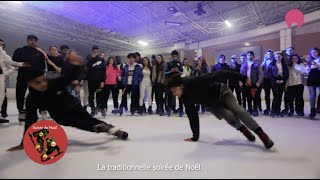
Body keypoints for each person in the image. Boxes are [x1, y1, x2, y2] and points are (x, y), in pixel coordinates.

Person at [6, 51, 128, 152]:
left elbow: (68, 76)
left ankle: (112, 130)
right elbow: (30, 121)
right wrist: (24, 143)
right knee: (79, 123)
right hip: (61, 115)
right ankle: (100, 128)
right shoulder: (32, 99)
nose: (43, 84)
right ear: (30, 84)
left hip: (72, 104)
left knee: (89, 120)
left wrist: (78, 64)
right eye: (38, 83)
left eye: (43, 80)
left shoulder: (53, 83)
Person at [166, 71, 274, 149]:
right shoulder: (184, 98)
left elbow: (220, 73)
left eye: (175, 90)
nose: (174, 93)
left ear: (181, 85)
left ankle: (262, 135)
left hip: (222, 92)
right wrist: (195, 137)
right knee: (229, 116)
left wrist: (242, 77)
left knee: (238, 110)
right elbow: (192, 115)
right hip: (212, 104)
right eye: (172, 92)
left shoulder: (194, 81)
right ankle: (244, 130)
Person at [12, 35, 47, 122]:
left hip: (36, 77)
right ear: (27, 41)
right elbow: (14, 62)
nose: (33, 42)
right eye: (31, 40)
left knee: (38, 95)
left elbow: (43, 65)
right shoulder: (19, 50)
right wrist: (23, 63)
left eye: (35, 40)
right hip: (23, 76)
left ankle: (41, 111)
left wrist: (42, 77)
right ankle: (21, 112)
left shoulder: (40, 52)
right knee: (20, 94)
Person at [0, 39, 29, 124]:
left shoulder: (5, 56)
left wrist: (4, 74)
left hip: (1, 79)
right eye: (0, 44)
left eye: (2, 45)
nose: (1, 46)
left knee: (1, 97)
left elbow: (12, 67)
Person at [240, 51, 263, 117]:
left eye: (250, 55)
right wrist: (241, 81)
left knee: (255, 97)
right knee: (248, 97)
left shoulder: (257, 64)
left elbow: (261, 74)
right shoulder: (243, 64)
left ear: (253, 56)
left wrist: (259, 82)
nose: (249, 56)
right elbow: (240, 74)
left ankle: (255, 109)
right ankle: (249, 109)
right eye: (248, 55)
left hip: (254, 83)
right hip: (246, 83)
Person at [85, 45, 106, 117]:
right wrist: (92, 59)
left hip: (99, 81)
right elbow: (87, 66)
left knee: (99, 95)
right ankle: (93, 109)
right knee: (91, 96)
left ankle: (100, 108)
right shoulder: (88, 58)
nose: (95, 53)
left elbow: (103, 71)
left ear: (98, 51)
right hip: (91, 81)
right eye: (94, 51)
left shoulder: (102, 60)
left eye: (97, 51)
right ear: (92, 51)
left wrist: (103, 81)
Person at [268, 51, 289, 118]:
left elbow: (286, 74)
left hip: (282, 81)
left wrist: (283, 80)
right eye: (276, 57)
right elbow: (269, 74)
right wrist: (275, 80)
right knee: (276, 95)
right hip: (275, 82)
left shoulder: (284, 65)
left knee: (280, 96)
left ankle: (278, 110)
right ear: (274, 57)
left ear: (282, 57)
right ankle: (273, 110)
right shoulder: (271, 64)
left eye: (279, 56)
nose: (278, 58)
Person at [164, 50, 183, 116]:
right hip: (170, 82)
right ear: (171, 56)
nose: (174, 57)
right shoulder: (168, 63)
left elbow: (182, 72)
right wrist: (171, 70)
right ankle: (169, 109)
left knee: (180, 96)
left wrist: (178, 70)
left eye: (175, 56)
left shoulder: (179, 63)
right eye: (173, 56)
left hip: (178, 81)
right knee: (170, 96)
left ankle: (181, 109)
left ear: (177, 56)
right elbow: (165, 72)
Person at [306, 47, 320, 119]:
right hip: (311, 78)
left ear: (318, 52)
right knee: (312, 95)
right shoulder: (310, 60)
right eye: (312, 53)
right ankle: (312, 111)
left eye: (315, 52)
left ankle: (318, 107)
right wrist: (308, 67)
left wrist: (316, 64)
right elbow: (307, 71)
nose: (313, 54)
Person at [261, 49, 274, 115]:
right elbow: (261, 68)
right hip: (266, 80)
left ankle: (274, 108)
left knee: (275, 94)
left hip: (273, 79)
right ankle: (268, 108)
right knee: (267, 95)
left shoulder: (275, 61)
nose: (269, 55)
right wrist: (264, 60)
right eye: (268, 54)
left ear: (273, 54)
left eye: (271, 54)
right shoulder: (265, 61)